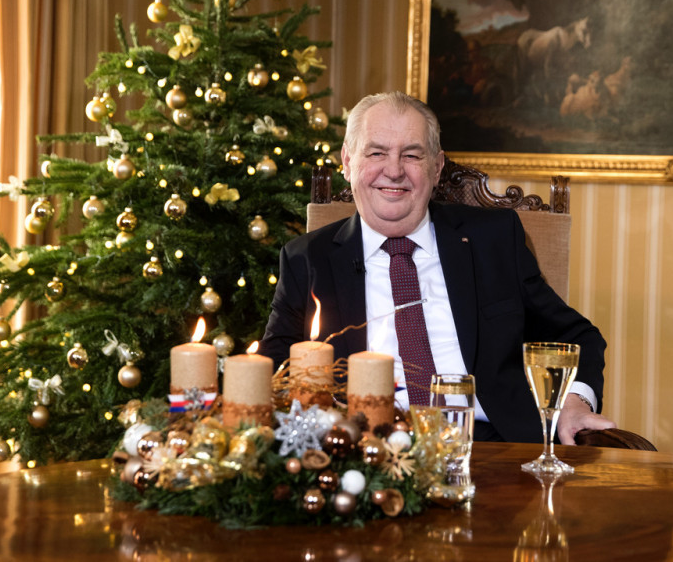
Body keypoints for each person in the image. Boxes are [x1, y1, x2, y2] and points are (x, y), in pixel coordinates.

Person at [259, 91, 616, 442]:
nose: (394, 171)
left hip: (493, 447)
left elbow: (577, 337)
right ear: (348, 161)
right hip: (367, 449)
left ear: (436, 167)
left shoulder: (493, 239)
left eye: (412, 155)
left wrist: (574, 403)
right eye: (376, 152)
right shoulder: (307, 259)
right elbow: (272, 374)